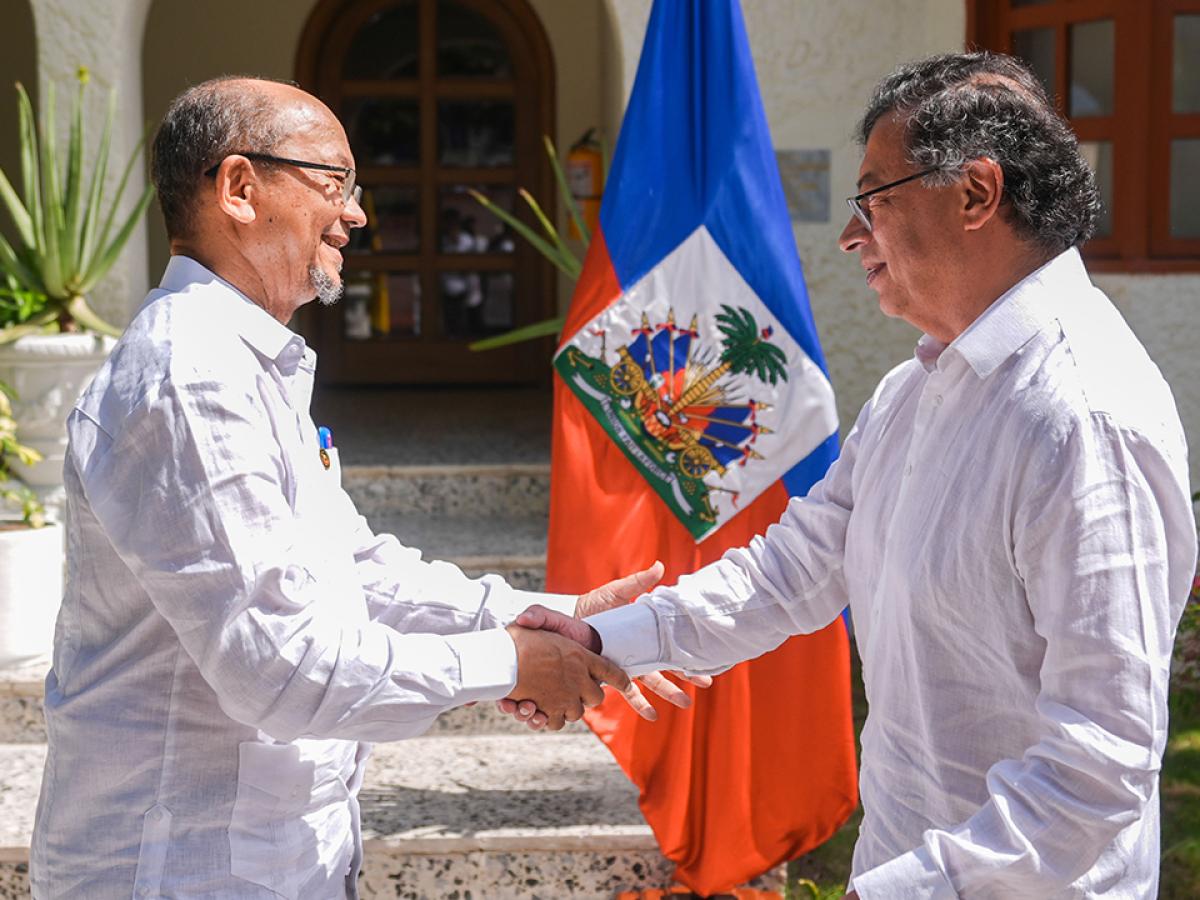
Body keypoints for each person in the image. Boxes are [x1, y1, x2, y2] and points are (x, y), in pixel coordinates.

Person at [29, 76, 695, 898]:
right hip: (177, 871)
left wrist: (537, 618)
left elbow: (359, 569)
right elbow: (283, 671)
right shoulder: (187, 378)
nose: (357, 215)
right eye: (334, 183)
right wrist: (511, 662)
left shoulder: (243, 363)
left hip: (271, 861)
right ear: (240, 188)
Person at [563, 52, 1196, 897]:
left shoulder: (1082, 417)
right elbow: (794, 571)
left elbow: (1100, 766)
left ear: (976, 193)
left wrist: (905, 888)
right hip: (903, 861)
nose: (852, 234)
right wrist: (605, 641)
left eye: (875, 200)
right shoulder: (918, 386)